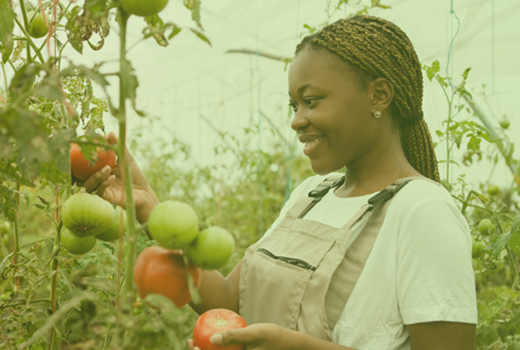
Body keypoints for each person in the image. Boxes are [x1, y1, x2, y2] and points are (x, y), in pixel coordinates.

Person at [80, 15, 476, 350]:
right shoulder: (311, 195)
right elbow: (231, 300)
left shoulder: (422, 211)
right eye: (294, 105)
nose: (297, 119)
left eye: (313, 100)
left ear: (379, 96)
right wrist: (149, 206)